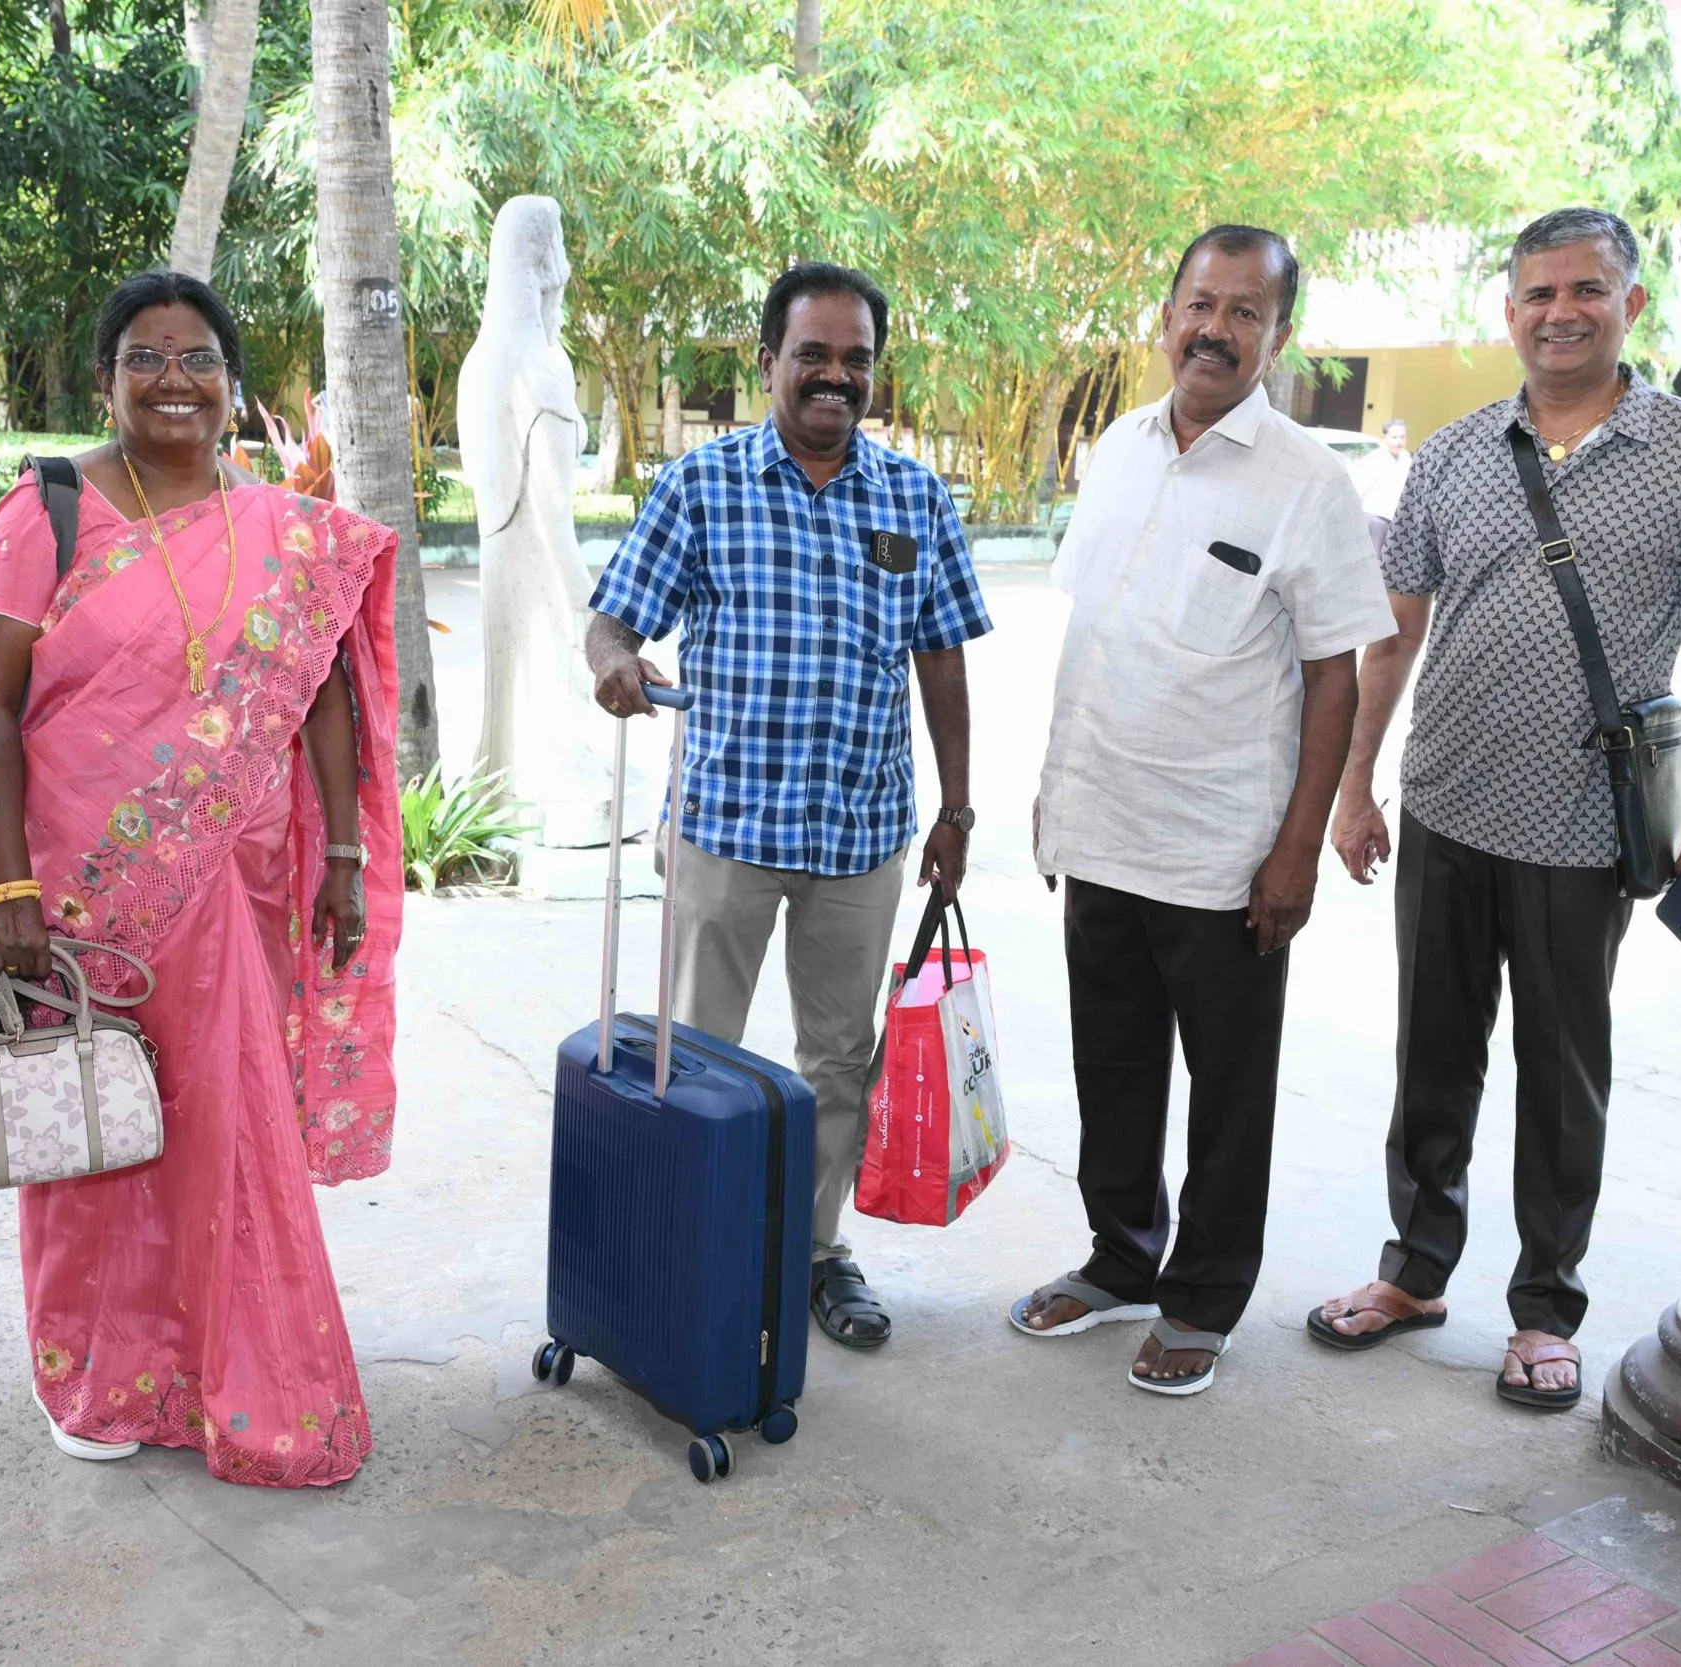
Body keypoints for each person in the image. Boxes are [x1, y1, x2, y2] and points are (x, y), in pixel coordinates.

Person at [1309, 208, 1681, 1410]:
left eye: (1584, 288)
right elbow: (1394, 629)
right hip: (1450, 803)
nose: (1558, 310)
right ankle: (1413, 1270)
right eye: (1535, 292)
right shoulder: (1459, 452)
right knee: (1432, 1055)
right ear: (1507, 310)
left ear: (1629, 304)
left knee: (1564, 1071)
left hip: (1584, 825)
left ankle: (1544, 1304)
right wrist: (1357, 784)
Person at [0, 269, 404, 1486]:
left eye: (197, 357)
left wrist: (344, 857)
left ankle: (244, 1375)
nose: (172, 380)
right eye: (144, 358)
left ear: (231, 381)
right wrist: (11, 894)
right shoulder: (44, 512)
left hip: (240, 880)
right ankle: (101, 1378)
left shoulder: (279, 529)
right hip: (82, 895)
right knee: (94, 1129)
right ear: (105, 381)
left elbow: (321, 690)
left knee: (227, 1131)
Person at [1009, 226, 1396, 1396]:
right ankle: (1121, 1255)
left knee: (1228, 1087)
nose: (1213, 328)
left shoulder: (1305, 482)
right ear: (1165, 310)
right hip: (1105, 825)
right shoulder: (1119, 446)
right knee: (1112, 1063)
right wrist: (1053, 796)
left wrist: (1296, 850)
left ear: (1279, 337)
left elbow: (1336, 670)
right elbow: (1096, 634)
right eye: (1197, 302)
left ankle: (1204, 1292)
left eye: (1243, 312)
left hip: (1226, 853)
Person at [584, 261, 992, 1351]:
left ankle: (813, 1252)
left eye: (855, 359)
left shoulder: (913, 499)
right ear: (767, 362)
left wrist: (957, 809)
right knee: (692, 1054)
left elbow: (941, 662)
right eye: (812, 354)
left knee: (836, 1063)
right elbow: (612, 620)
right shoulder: (702, 485)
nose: (833, 376)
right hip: (723, 828)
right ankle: (680, 1240)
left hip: (860, 835)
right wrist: (615, 662)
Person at [1353, 417, 1412, 557]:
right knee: (1374, 560)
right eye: (1394, 437)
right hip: (1376, 518)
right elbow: (1358, 490)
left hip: (1397, 520)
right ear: (1384, 437)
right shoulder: (1373, 460)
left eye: (1402, 437)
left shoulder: (1407, 460)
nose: (1399, 441)